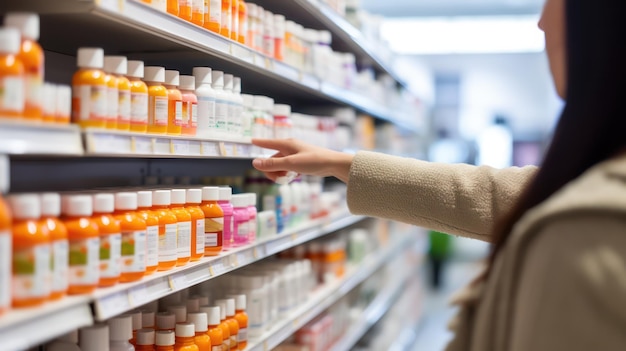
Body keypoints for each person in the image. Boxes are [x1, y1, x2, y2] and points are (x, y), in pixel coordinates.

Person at [251, 0, 626, 349]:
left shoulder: (592, 226)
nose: (542, 21)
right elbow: (489, 192)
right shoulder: (591, 190)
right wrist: (340, 163)